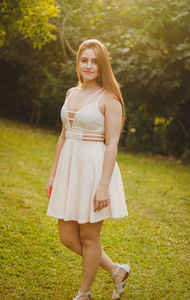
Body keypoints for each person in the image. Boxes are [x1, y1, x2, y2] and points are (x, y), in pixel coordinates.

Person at [46, 39, 130, 300]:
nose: (89, 65)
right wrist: (54, 174)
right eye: (85, 60)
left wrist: (103, 184)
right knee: (68, 236)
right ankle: (116, 270)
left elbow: (113, 142)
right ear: (78, 62)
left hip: (94, 171)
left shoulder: (110, 98)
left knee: (90, 238)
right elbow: (63, 136)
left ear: (102, 64)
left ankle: (84, 294)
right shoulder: (72, 92)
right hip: (70, 170)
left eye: (95, 61)